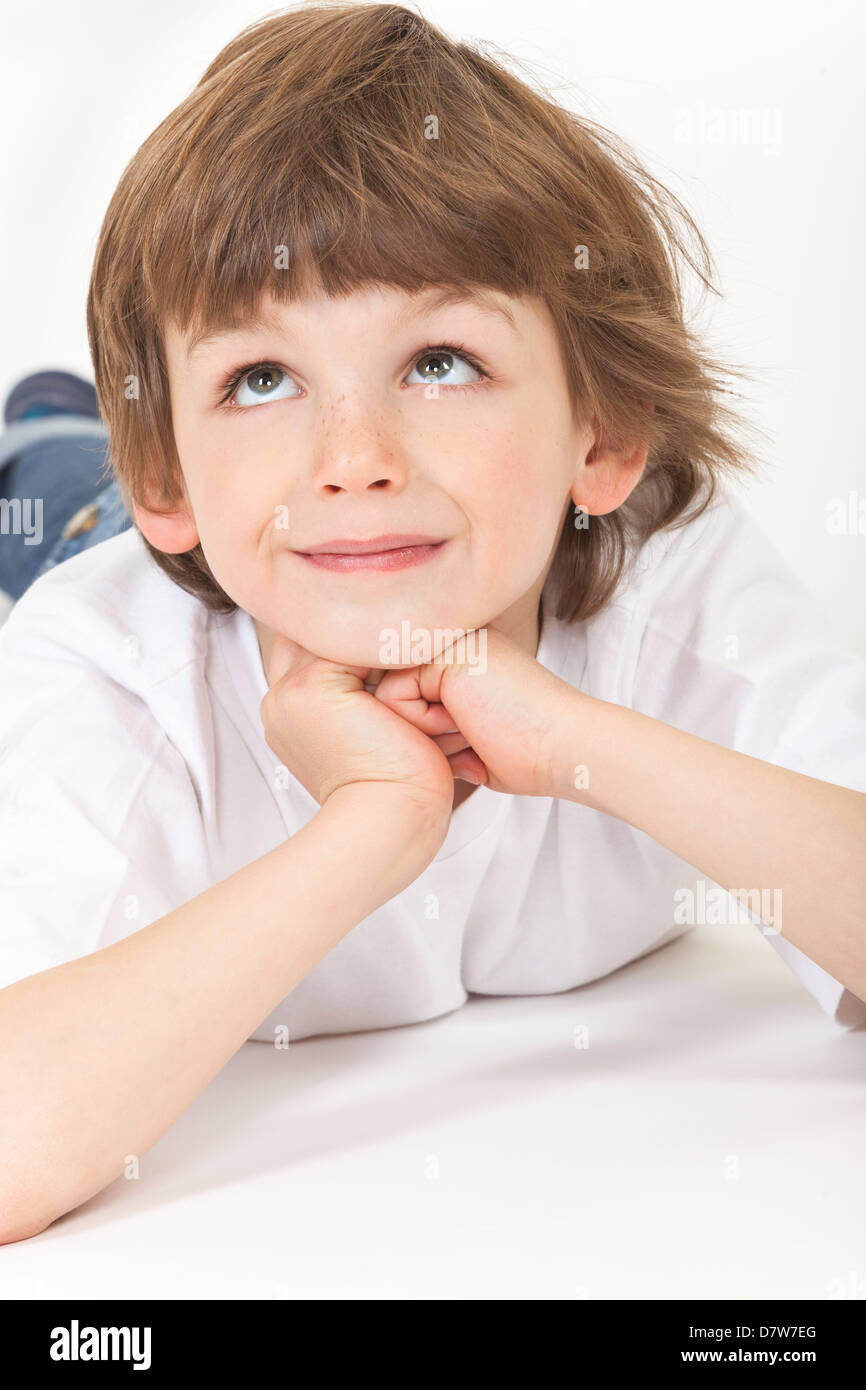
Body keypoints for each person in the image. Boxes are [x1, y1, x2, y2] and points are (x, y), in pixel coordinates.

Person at [1, 2, 864, 1245]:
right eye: (260, 377)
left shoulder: (667, 575)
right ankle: (62, 436)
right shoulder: (111, 661)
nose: (354, 458)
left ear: (604, 434)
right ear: (173, 483)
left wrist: (577, 738)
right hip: (97, 534)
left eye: (439, 362)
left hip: (223, 512)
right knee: (53, 492)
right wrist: (372, 824)